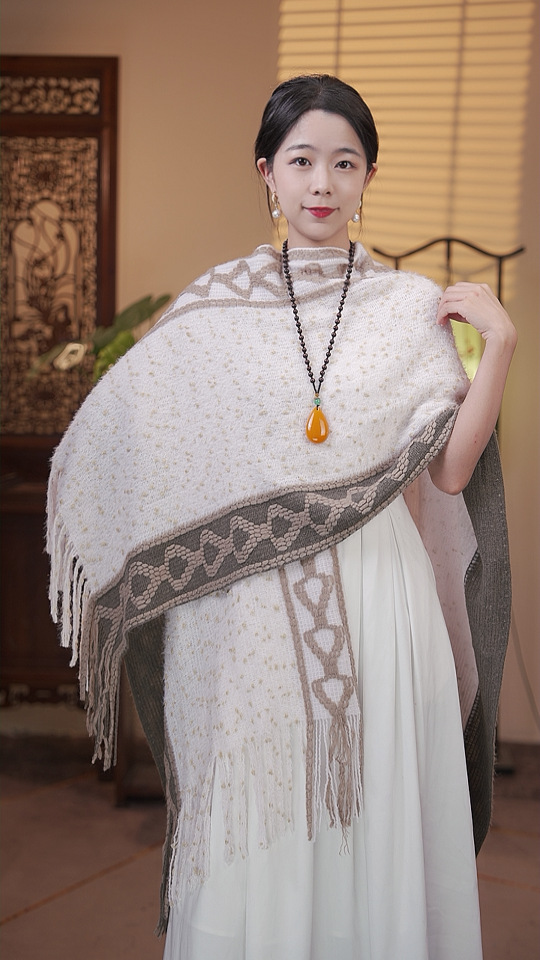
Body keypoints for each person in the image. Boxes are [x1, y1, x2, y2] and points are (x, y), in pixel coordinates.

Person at [46, 75, 517, 960]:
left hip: (383, 601)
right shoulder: (212, 308)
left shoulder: (405, 308)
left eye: (345, 162)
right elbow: (146, 438)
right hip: (249, 616)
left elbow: (452, 473)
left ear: (369, 174)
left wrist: (500, 345)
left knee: (376, 822)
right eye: (301, 161)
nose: (322, 183)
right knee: (258, 830)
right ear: (267, 172)